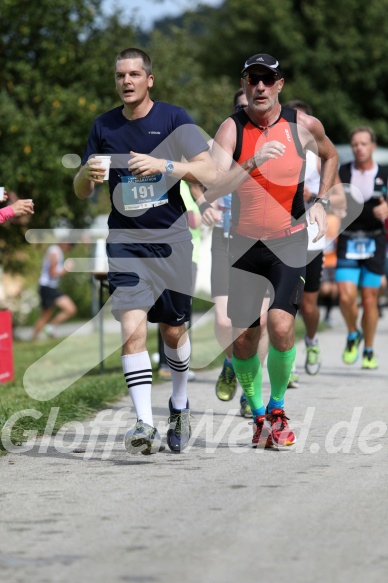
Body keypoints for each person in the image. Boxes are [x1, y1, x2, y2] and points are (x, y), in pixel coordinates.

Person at [74, 47, 215, 455]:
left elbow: (209, 170)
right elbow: (81, 190)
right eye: (121, 76)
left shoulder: (174, 119)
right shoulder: (103, 126)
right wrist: (85, 174)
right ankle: (143, 423)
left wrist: (164, 166)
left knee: (173, 330)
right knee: (132, 328)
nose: (127, 81)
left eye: (135, 74)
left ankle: (180, 403)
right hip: (125, 243)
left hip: (170, 242)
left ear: (149, 79)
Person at [204, 53, 338, 448]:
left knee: (280, 325)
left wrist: (323, 201)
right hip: (243, 244)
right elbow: (212, 187)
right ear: (244, 84)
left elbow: (331, 156)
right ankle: (258, 415)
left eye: (267, 79)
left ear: (280, 84)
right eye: (252, 79)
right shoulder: (231, 129)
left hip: (287, 239)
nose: (259, 87)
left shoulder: (303, 126)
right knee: (244, 338)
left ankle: (277, 410)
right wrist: (251, 163)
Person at [202, 88, 269, 418]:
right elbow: (195, 179)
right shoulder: (219, 144)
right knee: (223, 321)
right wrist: (204, 204)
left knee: (261, 321)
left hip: (261, 240)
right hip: (225, 238)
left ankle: (251, 391)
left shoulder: (274, 144)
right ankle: (231, 361)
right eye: (242, 107)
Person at [284, 100, 346, 379]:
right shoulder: (279, 151)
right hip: (282, 238)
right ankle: (288, 362)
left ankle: (311, 340)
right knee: (283, 306)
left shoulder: (321, 158)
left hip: (311, 239)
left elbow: (341, 200)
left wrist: (317, 199)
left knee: (308, 305)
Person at [335, 126, 388, 369]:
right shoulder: (343, 172)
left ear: (373, 147)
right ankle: (352, 333)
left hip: (374, 241)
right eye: (355, 144)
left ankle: (368, 349)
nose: (359, 148)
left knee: (369, 300)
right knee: (346, 297)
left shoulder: (385, 174)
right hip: (348, 239)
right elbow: (331, 200)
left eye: (364, 144)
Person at [157, 180, 201, 382]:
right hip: (178, 254)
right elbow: (192, 220)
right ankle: (169, 364)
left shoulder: (184, 181)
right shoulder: (181, 183)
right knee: (173, 312)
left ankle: (173, 363)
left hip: (186, 254)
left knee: (174, 311)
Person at [32, 242, 77, 339]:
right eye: (70, 246)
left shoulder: (56, 251)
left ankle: (50, 327)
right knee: (46, 316)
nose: (69, 248)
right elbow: (52, 273)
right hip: (47, 287)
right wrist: (66, 269)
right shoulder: (55, 252)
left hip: (51, 287)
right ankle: (34, 337)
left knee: (70, 309)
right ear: (66, 243)